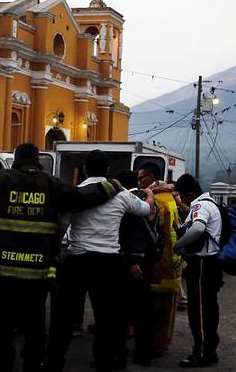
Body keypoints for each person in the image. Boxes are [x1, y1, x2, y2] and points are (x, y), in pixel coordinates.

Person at [0, 143, 121, 372]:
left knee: (2, 328)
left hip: (1, 274)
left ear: (17, 159)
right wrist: (114, 185)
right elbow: (82, 196)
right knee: (35, 328)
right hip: (36, 277)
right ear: (37, 160)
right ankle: (32, 365)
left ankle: (2, 367)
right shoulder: (52, 185)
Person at [46, 151, 155, 372]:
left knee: (63, 316)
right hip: (109, 262)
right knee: (108, 317)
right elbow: (146, 210)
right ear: (107, 170)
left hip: (77, 259)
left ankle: (54, 360)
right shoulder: (122, 195)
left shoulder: (76, 194)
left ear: (85, 169)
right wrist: (150, 194)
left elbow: (62, 225)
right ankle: (105, 361)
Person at [173, 174, 223, 368]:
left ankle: (201, 353)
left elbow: (198, 229)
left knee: (199, 310)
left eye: (182, 196)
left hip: (202, 263)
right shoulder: (211, 203)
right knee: (209, 309)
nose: (183, 200)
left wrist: (179, 245)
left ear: (190, 193)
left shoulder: (200, 205)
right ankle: (210, 350)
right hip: (212, 262)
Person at [137, 163, 183, 356]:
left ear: (151, 177)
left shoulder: (157, 201)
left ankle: (156, 343)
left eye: (141, 178)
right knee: (167, 305)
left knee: (158, 305)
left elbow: (152, 232)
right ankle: (163, 341)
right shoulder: (169, 197)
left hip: (160, 261)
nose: (139, 182)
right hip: (173, 257)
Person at [116, 170, 159, 366]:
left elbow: (128, 232)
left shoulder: (127, 201)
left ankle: (121, 355)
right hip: (149, 258)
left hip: (134, 260)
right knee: (145, 309)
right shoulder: (150, 198)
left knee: (124, 308)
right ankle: (145, 353)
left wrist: (132, 261)